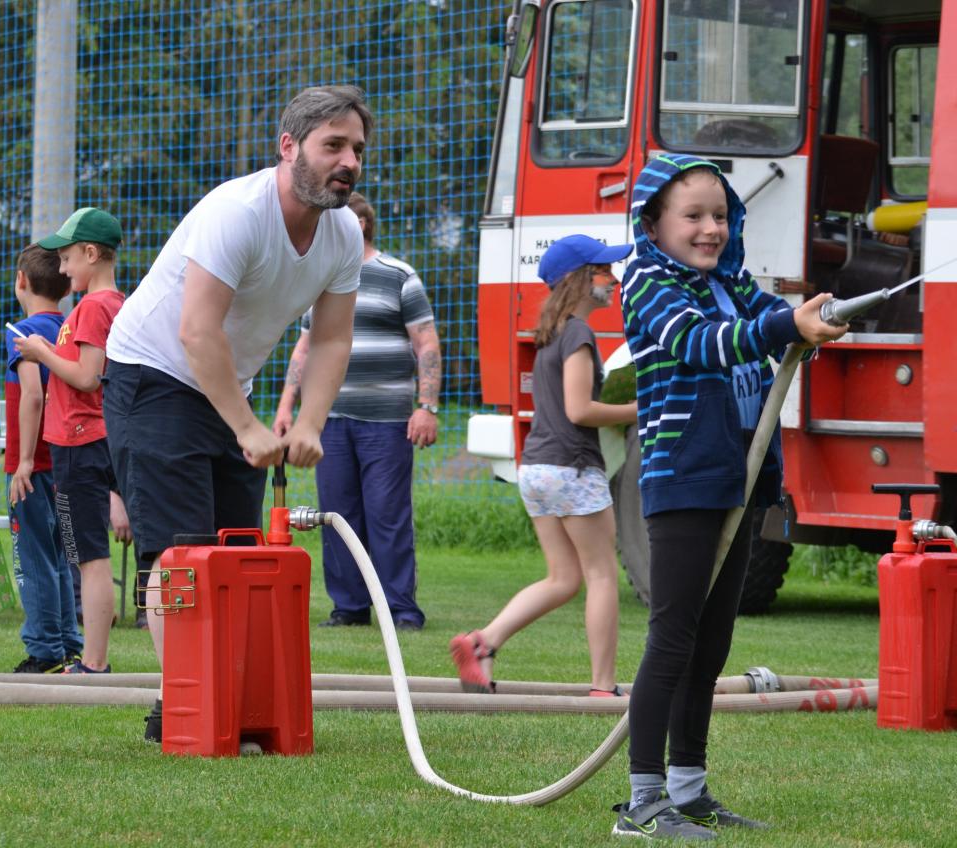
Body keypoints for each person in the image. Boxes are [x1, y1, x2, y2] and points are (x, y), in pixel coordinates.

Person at [104, 85, 372, 740]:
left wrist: (310, 423)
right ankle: (185, 708)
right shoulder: (238, 212)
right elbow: (197, 330)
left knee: (239, 550)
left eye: (358, 149)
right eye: (333, 146)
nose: (349, 162)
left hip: (224, 385)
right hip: (154, 373)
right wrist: (248, 427)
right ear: (289, 147)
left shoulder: (342, 233)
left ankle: (224, 700)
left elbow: (332, 339)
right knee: (182, 553)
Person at [612, 154, 847, 839]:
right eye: (693, 216)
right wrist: (785, 328)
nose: (711, 229)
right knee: (674, 638)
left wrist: (813, 320)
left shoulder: (730, 282)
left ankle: (689, 790)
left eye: (720, 214)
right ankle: (643, 802)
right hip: (684, 476)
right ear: (653, 224)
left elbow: (772, 320)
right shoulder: (648, 282)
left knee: (712, 643)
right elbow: (703, 344)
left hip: (736, 481)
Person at [449, 235, 636, 698]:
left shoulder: (552, 333)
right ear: (578, 279)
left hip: (536, 468)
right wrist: (640, 409)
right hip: (572, 468)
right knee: (601, 575)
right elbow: (579, 410)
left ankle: (482, 642)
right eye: (603, 270)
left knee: (563, 578)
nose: (613, 279)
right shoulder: (578, 334)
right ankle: (602, 686)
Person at [272, 192, 440, 631]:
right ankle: (348, 607)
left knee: (387, 515)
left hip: (387, 421)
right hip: (329, 420)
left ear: (360, 224)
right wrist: (287, 407)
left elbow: (426, 343)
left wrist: (427, 407)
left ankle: (400, 610)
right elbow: (305, 349)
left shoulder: (399, 275)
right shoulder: (322, 279)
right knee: (336, 514)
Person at [14, 208, 130, 675]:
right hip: (85, 442)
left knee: (89, 557)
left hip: (81, 444)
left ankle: (95, 662)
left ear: (91, 253)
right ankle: (90, 657)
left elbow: (87, 376)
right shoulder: (110, 304)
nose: (62, 270)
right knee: (85, 553)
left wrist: (41, 352)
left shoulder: (94, 307)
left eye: (67, 259)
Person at [4, 244, 82, 673]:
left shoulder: (22, 331)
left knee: (33, 557)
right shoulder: (70, 329)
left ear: (21, 280)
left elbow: (33, 394)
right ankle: (69, 643)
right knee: (62, 555)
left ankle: (44, 649)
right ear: (67, 286)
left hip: (32, 466)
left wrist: (23, 462)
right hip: (67, 460)